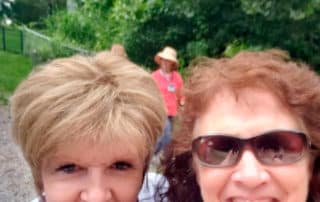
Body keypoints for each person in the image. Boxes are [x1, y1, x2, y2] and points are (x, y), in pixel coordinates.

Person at [160, 50, 320, 202]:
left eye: (278, 148)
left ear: (311, 165)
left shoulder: (176, 78)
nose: (250, 177)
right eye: (220, 150)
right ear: (194, 169)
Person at [10, 51, 167, 202]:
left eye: (120, 166)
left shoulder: (165, 193)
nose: (96, 197)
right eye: (69, 168)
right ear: (39, 177)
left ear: (143, 171)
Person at [152, 46, 184, 154]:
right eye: (164, 60)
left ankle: (160, 158)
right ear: (160, 61)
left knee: (167, 137)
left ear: (172, 64)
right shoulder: (154, 76)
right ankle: (155, 156)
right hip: (159, 111)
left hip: (172, 112)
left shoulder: (177, 77)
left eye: (168, 61)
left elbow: (181, 94)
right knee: (166, 136)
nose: (165, 63)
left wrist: (183, 103)